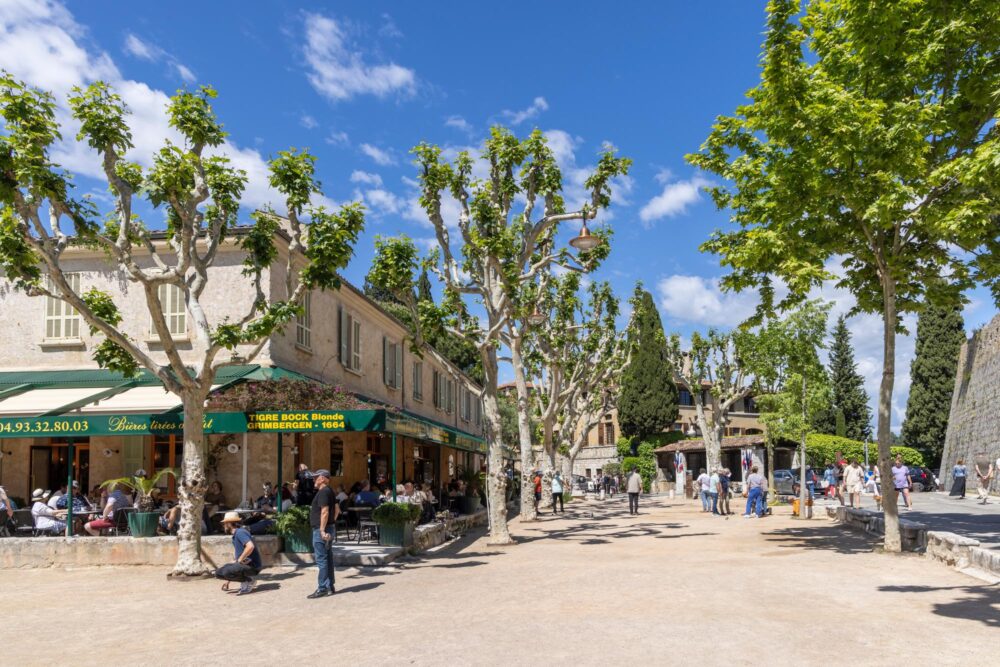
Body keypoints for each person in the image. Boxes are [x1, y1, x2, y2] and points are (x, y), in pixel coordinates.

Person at [308, 469, 339, 599]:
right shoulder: (330, 491)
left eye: (315, 478)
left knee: (322, 559)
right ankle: (329, 586)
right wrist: (331, 524)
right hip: (329, 528)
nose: (313, 480)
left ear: (322, 478)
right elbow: (337, 509)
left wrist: (322, 529)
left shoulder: (323, 492)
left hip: (321, 530)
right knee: (328, 558)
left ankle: (322, 588)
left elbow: (325, 511)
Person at [217, 512, 261, 595]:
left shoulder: (240, 532)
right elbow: (238, 560)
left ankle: (249, 581)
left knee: (227, 571)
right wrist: (228, 581)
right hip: (244, 564)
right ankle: (246, 580)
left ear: (229, 524)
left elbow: (250, 546)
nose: (224, 525)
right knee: (219, 572)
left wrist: (240, 559)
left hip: (252, 566)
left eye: (225, 523)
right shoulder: (236, 534)